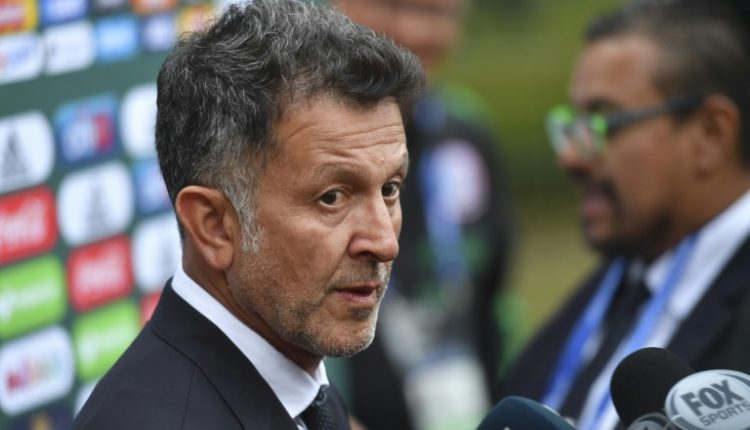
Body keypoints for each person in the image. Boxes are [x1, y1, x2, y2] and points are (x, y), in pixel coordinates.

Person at [72, 0, 424, 428]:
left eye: (389, 189)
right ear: (215, 226)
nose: (385, 242)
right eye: (332, 197)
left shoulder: (297, 380)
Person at [498, 1, 750, 429]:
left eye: (603, 122)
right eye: (571, 124)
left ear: (711, 133)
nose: (571, 157)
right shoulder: (616, 285)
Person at [331, 1, 515, 429]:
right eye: (394, 5)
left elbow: (492, 304)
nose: (415, 31)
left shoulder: (465, 134)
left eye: (438, 13)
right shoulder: (291, 141)